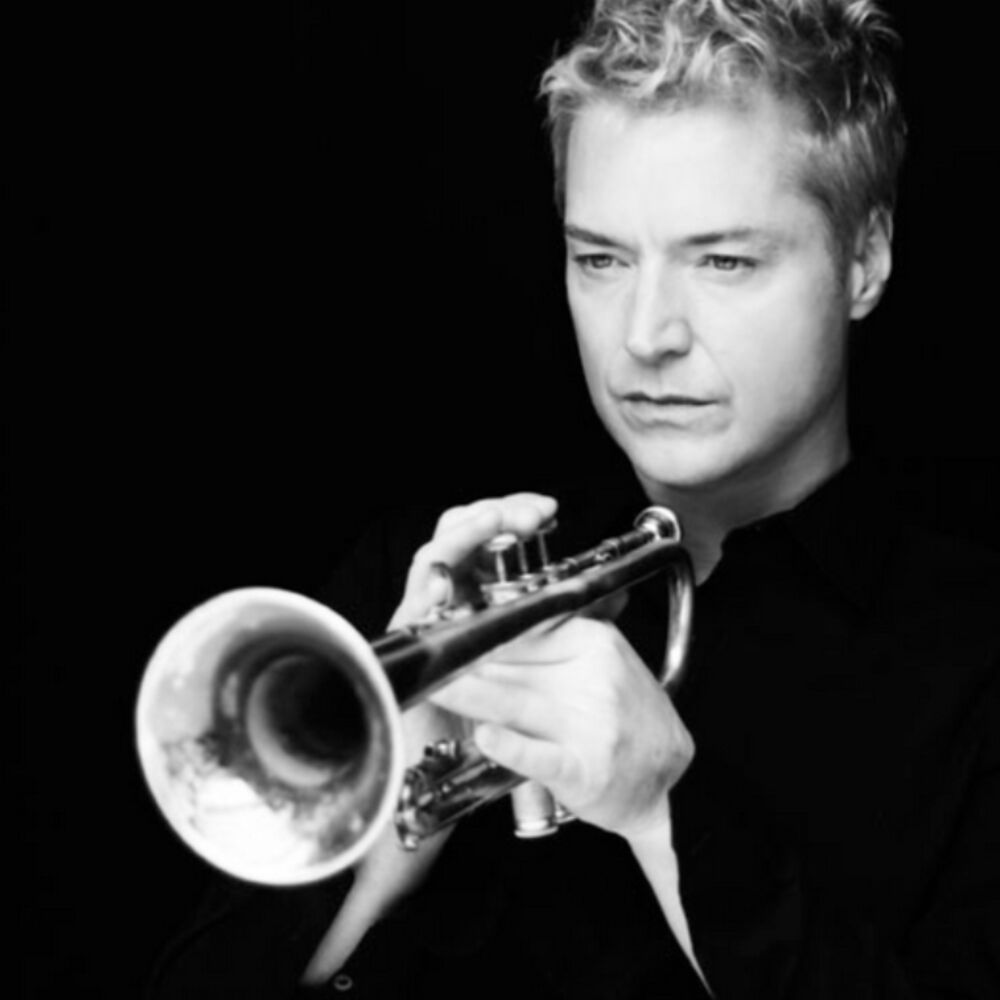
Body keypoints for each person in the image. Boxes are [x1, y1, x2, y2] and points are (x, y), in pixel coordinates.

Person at [145, 1, 1000, 996]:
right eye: (601, 258)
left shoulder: (976, 661)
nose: (645, 334)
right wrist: (398, 809)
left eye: (722, 261)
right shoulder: (419, 586)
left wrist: (665, 811)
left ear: (864, 260)